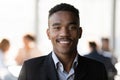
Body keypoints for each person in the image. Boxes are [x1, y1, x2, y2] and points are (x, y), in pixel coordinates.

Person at [18, 3, 108, 80]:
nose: (64, 33)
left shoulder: (97, 70)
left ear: (80, 32)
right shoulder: (30, 69)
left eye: (71, 27)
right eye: (57, 28)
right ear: (48, 34)